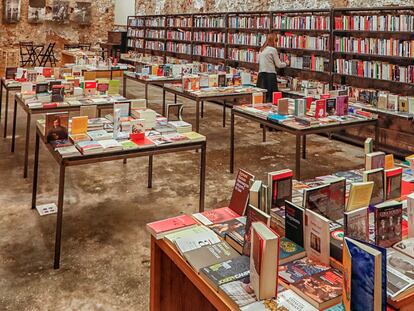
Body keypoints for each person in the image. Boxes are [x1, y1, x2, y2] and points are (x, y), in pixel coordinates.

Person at [257, 33, 289, 103]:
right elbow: (279, 65)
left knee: (262, 97)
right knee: (271, 98)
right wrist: (286, 63)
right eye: (276, 41)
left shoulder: (262, 49)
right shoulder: (273, 50)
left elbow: (258, 61)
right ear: (273, 41)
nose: (276, 43)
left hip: (261, 76)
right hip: (270, 76)